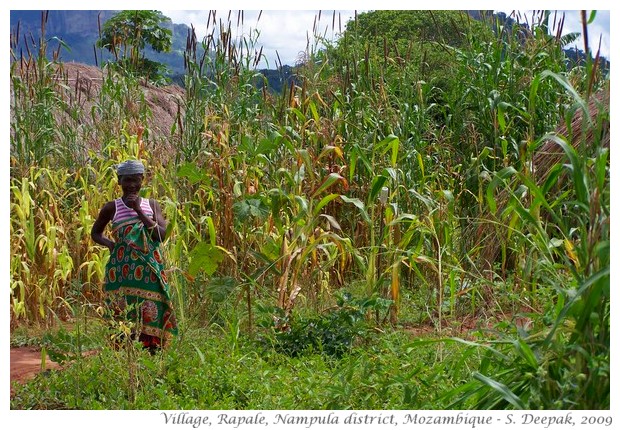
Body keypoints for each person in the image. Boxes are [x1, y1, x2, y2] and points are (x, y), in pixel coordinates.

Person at [91, 159, 177, 352]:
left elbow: (161, 235)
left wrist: (139, 210)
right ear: (119, 181)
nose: (131, 185)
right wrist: (111, 245)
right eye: (127, 180)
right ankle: (124, 352)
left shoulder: (151, 205)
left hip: (149, 270)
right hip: (122, 271)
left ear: (142, 180)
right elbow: (95, 233)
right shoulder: (111, 207)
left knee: (151, 308)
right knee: (123, 310)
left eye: (135, 180)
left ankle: (152, 351)